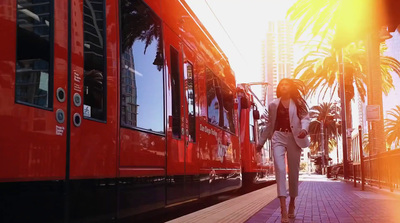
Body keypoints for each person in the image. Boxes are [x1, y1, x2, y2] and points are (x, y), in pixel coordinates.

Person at [256, 78, 310, 223]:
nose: (284, 86)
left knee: (294, 171)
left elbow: (306, 118)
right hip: (278, 136)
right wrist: (260, 143)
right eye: (282, 85)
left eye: (287, 84)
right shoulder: (273, 104)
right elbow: (269, 125)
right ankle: (283, 209)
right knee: (280, 169)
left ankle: (292, 202)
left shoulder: (297, 103)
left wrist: (304, 130)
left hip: (294, 137)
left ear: (291, 87)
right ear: (279, 88)